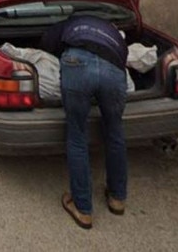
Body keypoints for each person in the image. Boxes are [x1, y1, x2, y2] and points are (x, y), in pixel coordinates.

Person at [41, 14, 129, 229]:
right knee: (115, 132)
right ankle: (117, 198)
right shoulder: (113, 32)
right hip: (113, 69)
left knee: (77, 135)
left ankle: (82, 208)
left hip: (76, 62)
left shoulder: (71, 23)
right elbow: (123, 56)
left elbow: (46, 43)